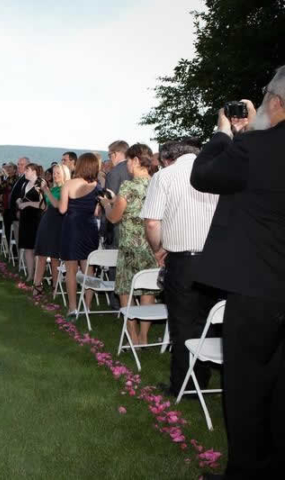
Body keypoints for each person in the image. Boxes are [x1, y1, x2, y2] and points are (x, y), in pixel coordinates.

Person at [190, 66, 285, 479]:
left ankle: (247, 471)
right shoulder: (258, 145)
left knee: (247, 386)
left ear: (276, 102)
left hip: (258, 287)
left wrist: (224, 133)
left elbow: (203, 174)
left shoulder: (257, 148)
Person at [140, 139, 217, 399]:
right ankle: (203, 380)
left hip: (183, 260)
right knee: (209, 322)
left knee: (183, 325)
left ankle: (183, 386)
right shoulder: (217, 172)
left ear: (167, 159)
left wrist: (158, 249)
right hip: (217, 260)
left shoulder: (165, 176)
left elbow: (152, 223)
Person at [99, 144, 159, 345]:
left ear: (134, 160)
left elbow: (115, 218)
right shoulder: (156, 184)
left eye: (128, 162)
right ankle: (143, 337)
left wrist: (108, 205)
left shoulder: (128, 186)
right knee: (148, 290)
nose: (127, 167)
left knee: (125, 289)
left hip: (129, 247)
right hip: (151, 245)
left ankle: (132, 336)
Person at [59, 153, 101, 316]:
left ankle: (72, 307)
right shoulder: (97, 186)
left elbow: (62, 209)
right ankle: (87, 307)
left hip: (72, 227)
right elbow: (97, 212)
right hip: (89, 227)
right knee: (88, 267)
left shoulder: (69, 184)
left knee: (71, 269)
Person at [33, 163, 70, 296]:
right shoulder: (54, 188)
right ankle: (37, 284)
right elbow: (47, 206)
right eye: (54, 173)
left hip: (58, 223)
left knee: (55, 256)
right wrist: (43, 192)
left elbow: (58, 205)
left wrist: (46, 190)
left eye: (58, 173)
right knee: (41, 253)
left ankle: (56, 285)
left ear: (65, 174)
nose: (55, 176)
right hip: (47, 221)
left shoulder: (65, 188)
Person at [16, 163, 44, 282]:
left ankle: (38, 277)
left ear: (33, 171)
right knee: (27, 248)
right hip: (25, 219)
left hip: (36, 220)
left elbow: (43, 205)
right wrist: (19, 202)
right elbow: (20, 199)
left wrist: (27, 204)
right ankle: (30, 274)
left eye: (26, 170)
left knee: (36, 249)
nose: (24, 172)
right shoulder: (24, 184)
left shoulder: (41, 183)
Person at [7, 157, 29, 246]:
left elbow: (25, 197)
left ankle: (22, 260)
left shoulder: (27, 179)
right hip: (16, 216)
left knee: (23, 244)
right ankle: (20, 259)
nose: (19, 166)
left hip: (21, 215)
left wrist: (19, 211)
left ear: (28, 166)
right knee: (19, 243)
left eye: (22, 164)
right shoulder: (20, 177)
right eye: (18, 164)